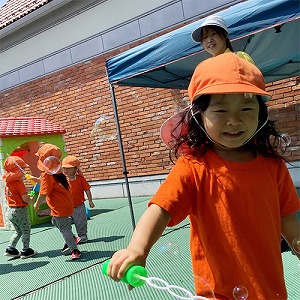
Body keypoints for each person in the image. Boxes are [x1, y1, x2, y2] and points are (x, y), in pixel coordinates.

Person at [107, 53, 300, 299]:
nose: (234, 119)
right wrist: (137, 249)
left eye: (247, 108)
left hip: (271, 291)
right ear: (199, 115)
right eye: (220, 110)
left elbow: (288, 219)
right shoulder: (193, 167)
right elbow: (160, 210)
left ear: (261, 114)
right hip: (217, 293)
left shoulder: (273, 166)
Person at [33, 143, 81, 260]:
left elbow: (43, 193)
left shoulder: (46, 175)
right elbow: (53, 186)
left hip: (59, 207)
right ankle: (72, 238)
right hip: (67, 204)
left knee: (64, 229)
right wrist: (38, 181)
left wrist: (37, 204)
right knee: (55, 222)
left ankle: (74, 249)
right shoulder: (59, 173)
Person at [3, 156, 37, 259]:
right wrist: (32, 199)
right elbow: (25, 199)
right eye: (23, 169)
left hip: (11, 211)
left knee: (18, 231)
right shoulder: (19, 184)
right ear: (18, 171)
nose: (24, 172)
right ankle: (26, 250)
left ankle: (10, 248)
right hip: (20, 210)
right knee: (26, 230)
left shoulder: (8, 184)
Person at [62, 155, 94, 244]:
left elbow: (87, 189)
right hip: (67, 206)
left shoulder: (80, 179)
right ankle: (70, 237)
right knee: (66, 223)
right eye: (64, 168)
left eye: (68, 168)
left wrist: (90, 200)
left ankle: (82, 235)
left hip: (79, 205)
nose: (66, 170)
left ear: (75, 169)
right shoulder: (63, 180)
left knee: (81, 221)